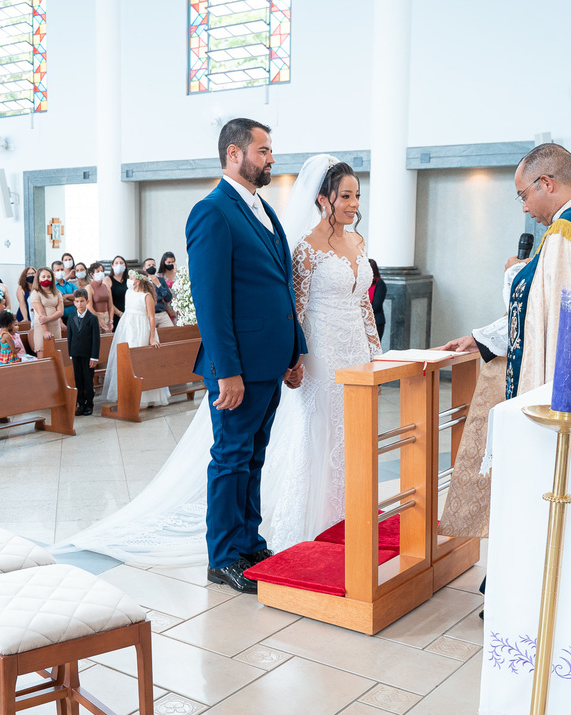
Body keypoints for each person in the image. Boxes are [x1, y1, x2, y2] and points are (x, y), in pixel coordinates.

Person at [55, 146, 383, 594]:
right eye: (263, 150)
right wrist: (225, 369)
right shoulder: (211, 211)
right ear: (234, 153)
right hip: (238, 367)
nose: (271, 158)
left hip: (270, 363)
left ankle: (249, 543)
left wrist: (293, 353)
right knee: (230, 458)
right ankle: (223, 556)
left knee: (253, 457)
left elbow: (282, 296)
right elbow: (211, 300)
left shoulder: (263, 209)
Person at [436, 143, 571, 542]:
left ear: (547, 182)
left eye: (524, 195)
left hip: (558, 392)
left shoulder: (566, 233)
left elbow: (543, 323)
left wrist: (515, 277)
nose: (525, 208)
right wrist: (481, 340)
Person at [102, 270, 168, 408]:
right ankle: (127, 393)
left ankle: (144, 397)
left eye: (131, 277)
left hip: (142, 328)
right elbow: (128, 311)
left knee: (142, 361)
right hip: (128, 327)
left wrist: (151, 337)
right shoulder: (128, 292)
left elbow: (151, 316)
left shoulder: (146, 296)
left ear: (138, 280)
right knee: (126, 359)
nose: (129, 280)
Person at [67, 289, 101, 416]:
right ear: (74, 303)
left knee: (88, 380)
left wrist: (94, 357)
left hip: (88, 355)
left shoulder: (92, 318)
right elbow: (69, 336)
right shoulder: (71, 318)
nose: (79, 304)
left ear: (87, 301)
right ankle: (80, 404)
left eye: (82, 301)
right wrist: (71, 353)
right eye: (77, 301)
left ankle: (89, 405)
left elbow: (96, 339)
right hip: (76, 354)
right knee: (78, 380)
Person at [27, 266, 63, 357]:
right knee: (42, 355)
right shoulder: (35, 293)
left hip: (55, 326)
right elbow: (41, 315)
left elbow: (60, 312)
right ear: (38, 279)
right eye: (43, 277)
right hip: (42, 328)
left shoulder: (57, 293)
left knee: (56, 355)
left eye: (48, 276)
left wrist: (47, 318)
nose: (46, 278)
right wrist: (46, 330)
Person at [86, 262, 117, 333]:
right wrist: (99, 321)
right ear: (92, 274)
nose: (101, 273)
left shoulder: (106, 286)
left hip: (107, 316)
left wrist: (111, 320)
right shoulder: (89, 287)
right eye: (98, 271)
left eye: (102, 271)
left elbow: (110, 306)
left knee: (108, 340)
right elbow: (89, 307)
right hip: (95, 316)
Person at [150, 257, 176, 328]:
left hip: (162, 313)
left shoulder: (160, 280)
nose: (152, 267)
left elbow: (168, 297)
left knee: (171, 331)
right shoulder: (142, 281)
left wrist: (158, 285)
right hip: (149, 314)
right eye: (149, 265)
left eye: (153, 265)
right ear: (144, 268)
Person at [105, 255, 129, 328]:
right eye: (116, 263)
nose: (119, 265)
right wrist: (119, 313)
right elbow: (108, 301)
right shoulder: (108, 279)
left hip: (127, 313)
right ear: (112, 266)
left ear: (125, 266)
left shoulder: (128, 280)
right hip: (114, 314)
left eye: (121, 263)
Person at [368, 258, 387, 340]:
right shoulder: (363, 284)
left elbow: (376, 305)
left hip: (376, 322)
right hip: (363, 322)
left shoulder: (380, 284)